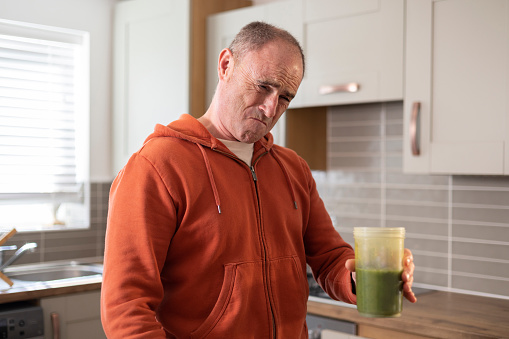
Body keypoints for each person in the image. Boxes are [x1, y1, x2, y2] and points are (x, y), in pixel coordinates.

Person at [101, 21, 416, 338]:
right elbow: (125, 308)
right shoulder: (156, 166)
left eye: (285, 97)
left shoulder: (292, 168)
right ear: (226, 65)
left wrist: (360, 276)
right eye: (264, 86)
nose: (270, 108)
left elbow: (330, 258)